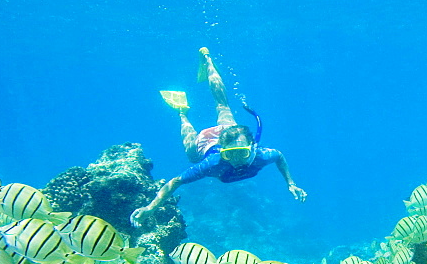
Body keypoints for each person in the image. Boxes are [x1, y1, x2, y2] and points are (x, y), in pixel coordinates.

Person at [130, 47, 307, 226]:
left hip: (229, 129)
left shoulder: (261, 155)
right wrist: (151, 207)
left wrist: (291, 183)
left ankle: (207, 59)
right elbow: (175, 182)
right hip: (206, 140)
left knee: (223, 106)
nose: (237, 160)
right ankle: (182, 112)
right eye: (230, 154)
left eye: (242, 153)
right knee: (192, 154)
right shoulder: (212, 163)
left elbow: (279, 156)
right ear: (223, 152)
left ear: (253, 147)